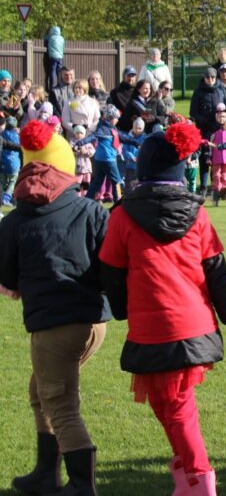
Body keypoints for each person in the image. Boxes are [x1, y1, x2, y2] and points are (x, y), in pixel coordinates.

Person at [98, 123, 226, 496]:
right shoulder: (196, 215)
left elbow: (111, 273)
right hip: (188, 322)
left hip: (157, 325)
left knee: (177, 405)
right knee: (165, 401)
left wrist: (121, 310)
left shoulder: (121, 216)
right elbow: (218, 271)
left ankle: (200, 481)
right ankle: (187, 476)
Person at [0, 119, 110, 496]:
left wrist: (16, 285)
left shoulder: (15, 221)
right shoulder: (92, 211)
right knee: (41, 391)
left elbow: (7, 278)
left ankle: (82, 485)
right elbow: (109, 262)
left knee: (61, 404)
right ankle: (46, 472)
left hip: (54, 325)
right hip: (94, 321)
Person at [81, 105, 126, 202]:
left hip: (99, 160)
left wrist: (135, 142)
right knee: (116, 181)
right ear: (110, 118)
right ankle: (118, 202)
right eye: (116, 118)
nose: (117, 120)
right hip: (108, 160)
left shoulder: (109, 127)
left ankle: (86, 200)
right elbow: (92, 137)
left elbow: (122, 137)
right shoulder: (104, 128)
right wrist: (80, 143)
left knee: (97, 182)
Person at [208, 105, 226, 203]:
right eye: (219, 117)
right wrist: (208, 156)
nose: (221, 119)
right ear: (216, 117)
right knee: (216, 175)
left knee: (225, 175)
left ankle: (225, 190)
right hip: (216, 157)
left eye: (223, 117)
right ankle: (216, 190)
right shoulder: (214, 131)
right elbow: (210, 144)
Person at [1, 116, 20, 204]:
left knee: (2, 180)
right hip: (14, 163)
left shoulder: (2, 134)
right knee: (12, 181)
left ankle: (1, 196)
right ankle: (7, 197)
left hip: (2, 162)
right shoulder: (17, 136)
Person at [44, 26, 65, 91]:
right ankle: (60, 84)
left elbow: (44, 38)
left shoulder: (50, 37)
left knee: (52, 71)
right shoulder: (62, 38)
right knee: (59, 72)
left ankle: (51, 86)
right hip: (60, 57)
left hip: (53, 57)